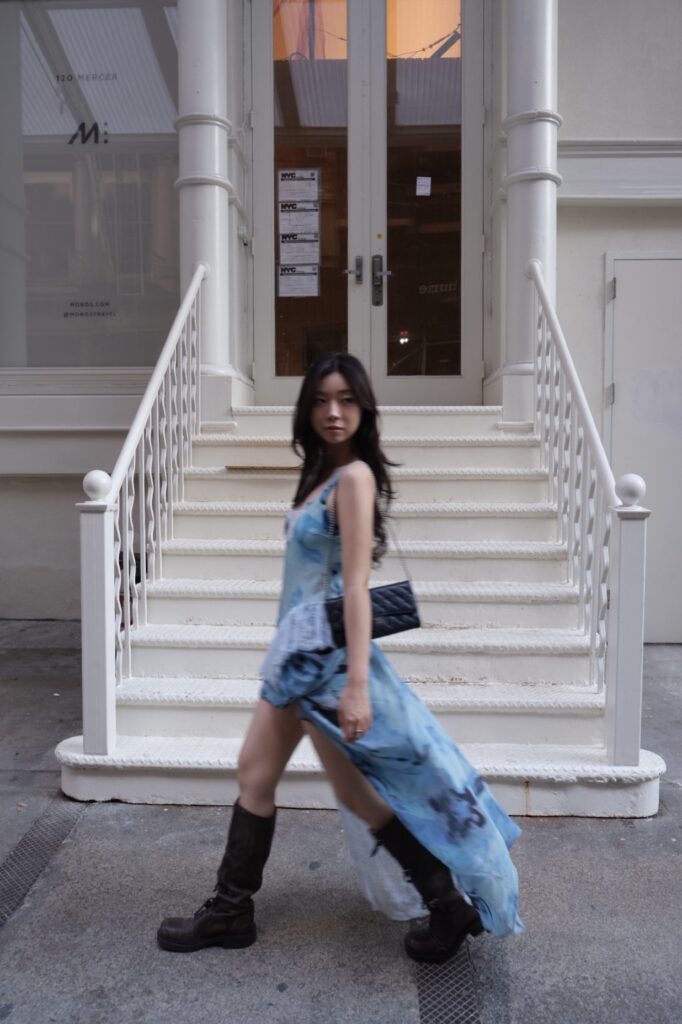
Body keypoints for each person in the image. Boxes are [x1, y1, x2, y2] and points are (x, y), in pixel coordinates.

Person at [157, 353, 523, 961]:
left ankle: (232, 912)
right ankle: (443, 905)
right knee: (322, 787)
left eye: (347, 400)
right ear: (307, 408)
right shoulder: (321, 476)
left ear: (364, 409)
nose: (333, 412)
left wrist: (356, 683)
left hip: (323, 666)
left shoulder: (353, 479)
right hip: (297, 658)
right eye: (323, 399)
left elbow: (354, 585)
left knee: (263, 773)